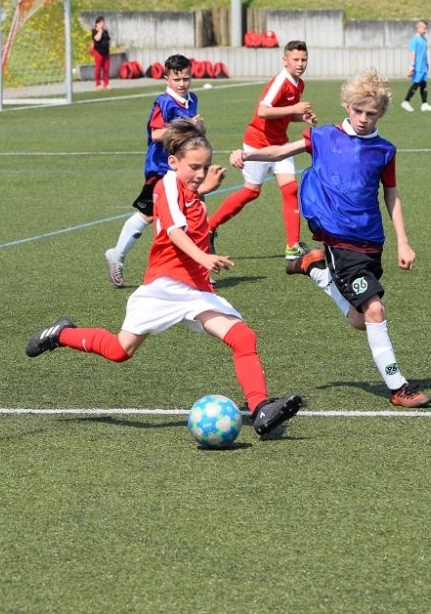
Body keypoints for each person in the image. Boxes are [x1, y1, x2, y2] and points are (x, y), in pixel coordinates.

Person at [27, 117, 303, 438]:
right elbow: (174, 230)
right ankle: (62, 334)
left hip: (195, 289)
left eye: (205, 167)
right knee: (119, 351)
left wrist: (205, 190)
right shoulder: (167, 184)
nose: (200, 173)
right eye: (194, 167)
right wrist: (203, 256)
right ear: (173, 162)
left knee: (243, 338)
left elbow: (187, 208)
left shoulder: (187, 190)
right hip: (165, 286)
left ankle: (261, 408)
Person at [230, 68, 431, 409]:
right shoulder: (323, 137)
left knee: (360, 319)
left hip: (371, 240)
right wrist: (247, 154)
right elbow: (282, 151)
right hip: (339, 240)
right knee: (375, 309)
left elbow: (391, 194)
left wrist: (403, 241)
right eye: (358, 110)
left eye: (371, 113)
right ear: (347, 105)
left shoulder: (384, 150)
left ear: (382, 113)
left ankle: (315, 268)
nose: (364, 118)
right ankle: (399, 387)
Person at [206, 40, 318, 261]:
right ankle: (209, 227)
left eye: (304, 59)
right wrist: (294, 108)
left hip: (280, 143)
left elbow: (283, 114)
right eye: (295, 59)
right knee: (251, 191)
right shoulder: (280, 82)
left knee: (290, 189)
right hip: (258, 142)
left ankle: (292, 246)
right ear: (285, 60)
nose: (300, 63)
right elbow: (263, 111)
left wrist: (301, 117)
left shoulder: (299, 84)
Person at [105, 54, 198, 288]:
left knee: (191, 212)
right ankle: (117, 255)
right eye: (177, 79)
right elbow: (156, 134)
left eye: (186, 78)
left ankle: (195, 268)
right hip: (160, 168)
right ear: (167, 79)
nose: (182, 83)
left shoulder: (192, 99)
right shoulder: (164, 102)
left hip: (181, 168)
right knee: (148, 214)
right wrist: (188, 126)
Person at [401, 21, 431, 112]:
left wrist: (427, 63)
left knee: (424, 84)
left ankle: (424, 104)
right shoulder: (414, 40)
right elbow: (413, 53)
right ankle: (406, 101)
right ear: (418, 29)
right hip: (418, 66)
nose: (426, 30)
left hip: (423, 66)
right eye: (424, 28)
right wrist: (412, 67)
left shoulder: (424, 39)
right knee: (416, 84)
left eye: (426, 28)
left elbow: (425, 52)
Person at [90, 16, 110, 90]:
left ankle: (106, 84)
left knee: (106, 69)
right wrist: (100, 30)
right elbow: (97, 39)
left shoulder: (106, 31)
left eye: (103, 22)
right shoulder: (94, 31)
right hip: (98, 52)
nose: (102, 24)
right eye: (100, 22)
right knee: (98, 68)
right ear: (96, 23)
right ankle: (98, 84)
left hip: (106, 52)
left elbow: (108, 40)